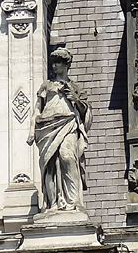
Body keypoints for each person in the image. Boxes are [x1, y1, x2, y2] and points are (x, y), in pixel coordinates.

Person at [27, 47, 92, 213]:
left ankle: (73, 201)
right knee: (50, 165)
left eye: (58, 63)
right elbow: (37, 109)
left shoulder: (75, 87)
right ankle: (53, 203)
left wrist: (74, 98)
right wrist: (31, 131)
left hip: (68, 123)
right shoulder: (47, 85)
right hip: (46, 127)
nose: (54, 66)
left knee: (67, 156)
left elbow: (85, 111)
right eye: (53, 63)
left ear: (66, 65)